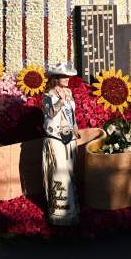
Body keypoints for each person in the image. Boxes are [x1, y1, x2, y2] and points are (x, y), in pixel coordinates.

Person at [42, 62, 80, 226]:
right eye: (64, 76)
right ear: (56, 78)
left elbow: (71, 112)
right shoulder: (48, 94)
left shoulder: (69, 92)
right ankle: (59, 214)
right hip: (55, 137)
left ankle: (71, 211)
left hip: (69, 137)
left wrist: (75, 127)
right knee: (59, 173)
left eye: (68, 76)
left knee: (70, 174)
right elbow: (50, 113)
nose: (68, 79)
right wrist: (60, 101)